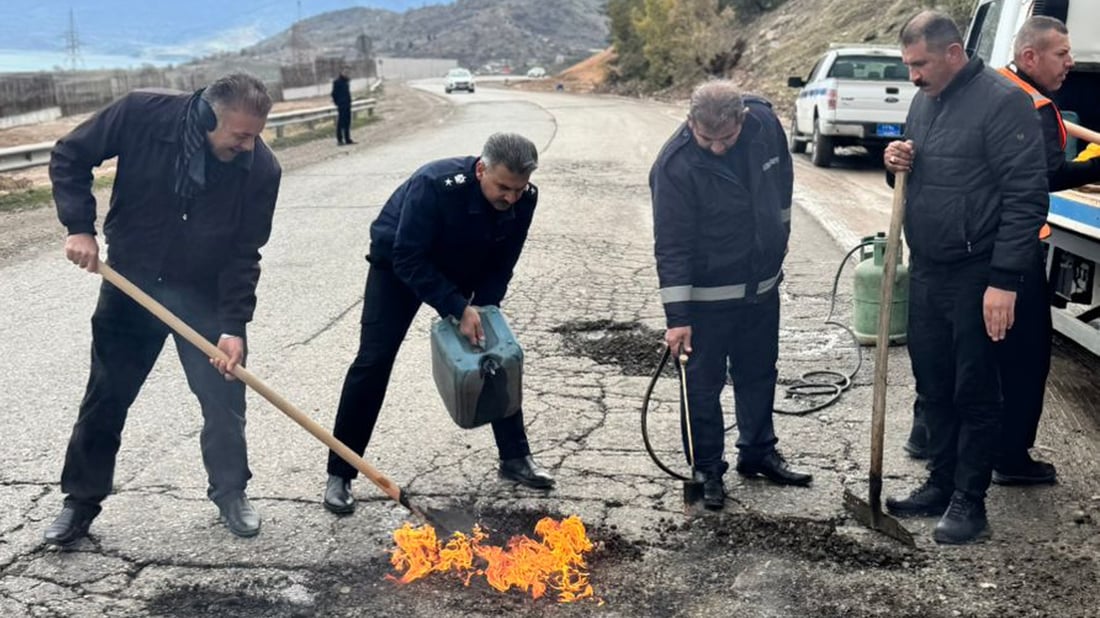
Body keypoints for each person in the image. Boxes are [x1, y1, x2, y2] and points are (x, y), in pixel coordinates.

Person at [45, 73, 282, 546]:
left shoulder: (260, 170)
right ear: (208, 116)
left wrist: (233, 326)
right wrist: (79, 227)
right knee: (106, 397)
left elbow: (244, 252)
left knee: (224, 401)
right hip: (131, 285)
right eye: (240, 135)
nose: (248, 145)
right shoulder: (141, 113)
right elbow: (69, 155)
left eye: (255, 135)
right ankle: (80, 503)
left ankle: (231, 492)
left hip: (206, 296)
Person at [882, 12, 1049, 544]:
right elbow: (915, 172)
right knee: (933, 385)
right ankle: (940, 481)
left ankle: (969, 501)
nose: (913, 76)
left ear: (953, 53)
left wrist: (1004, 280)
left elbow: (1027, 198)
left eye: (920, 64)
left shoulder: (1004, 102)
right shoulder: (923, 101)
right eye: (909, 66)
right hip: (928, 266)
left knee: (975, 388)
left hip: (979, 272)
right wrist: (895, 161)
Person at [322, 132, 553, 515]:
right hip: (399, 267)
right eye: (502, 187)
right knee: (373, 363)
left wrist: (484, 311)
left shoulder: (525, 198)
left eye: (518, 188)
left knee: (496, 354)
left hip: (465, 267)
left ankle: (515, 458)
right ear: (482, 169)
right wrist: (456, 307)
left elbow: (503, 262)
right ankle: (341, 473)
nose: (511, 197)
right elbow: (407, 257)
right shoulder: (435, 184)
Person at [649, 79, 811, 512]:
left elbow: (783, 186)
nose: (717, 148)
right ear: (690, 123)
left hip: (760, 288)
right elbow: (672, 246)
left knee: (759, 372)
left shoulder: (764, 126)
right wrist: (678, 317)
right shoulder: (674, 166)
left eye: (726, 138)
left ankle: (757, 451)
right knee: (702, 387)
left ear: (742, 120)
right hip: (706, 300)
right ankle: (707, 469)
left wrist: (780, 238)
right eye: (706, 139)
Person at [331, 67, 354, 146]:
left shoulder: (347, 82)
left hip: (347, 104)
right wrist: (338, 103)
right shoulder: (337, 82)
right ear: (341, 72)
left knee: (347, 122)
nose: (346, 73)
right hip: (341, 105)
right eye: (345, 72)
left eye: (348, 72)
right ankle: (340, 140)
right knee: (341, 123)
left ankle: (347, 139)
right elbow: (333, 94)